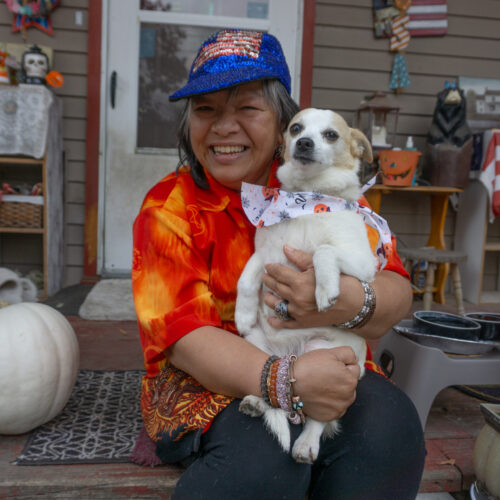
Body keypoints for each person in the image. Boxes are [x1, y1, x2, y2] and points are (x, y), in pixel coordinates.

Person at [132, 29, 425, 499]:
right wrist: (285, 380)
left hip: (324, 356)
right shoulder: (169, 208)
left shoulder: (320, 181)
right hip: (213, 380)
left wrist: (343, 302)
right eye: (206, 110)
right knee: (262, 464)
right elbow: (182, 337)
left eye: (247, 108)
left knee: (390, 431)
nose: (224, 127)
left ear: (283, 122)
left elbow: (396, 291)